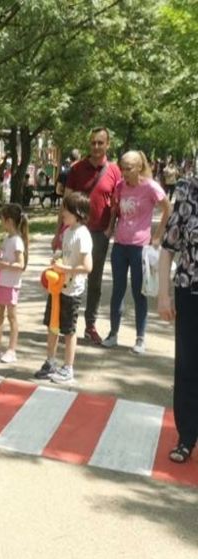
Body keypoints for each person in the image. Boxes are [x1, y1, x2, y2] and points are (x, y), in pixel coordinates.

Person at [101, 151, 171, 354]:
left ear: (139, 167)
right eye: (122, 168)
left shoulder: (150, 186)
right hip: (120, 245)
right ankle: (113, 333)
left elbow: (167, 208)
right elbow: (115, 209)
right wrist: (109, 227)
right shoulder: (120, 186)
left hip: (140, 247)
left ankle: (140, 338)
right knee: (118, 290)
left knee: (139, 292)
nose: (124, 172)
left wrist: (157, 235)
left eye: (128, 168)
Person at [63, 127, 123, 345]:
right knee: (67, 277)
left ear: (107, 145)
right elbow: (66, 200)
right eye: (93, 143)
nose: (96, 147)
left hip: (99, 233)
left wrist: (110, 228)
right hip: (74, 231)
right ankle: (66, 323)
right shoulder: (77, 168)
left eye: (100, 143)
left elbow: (116, 204)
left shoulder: (115, 170)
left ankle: (90, 325)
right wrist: (58, 231)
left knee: (94, 281)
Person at [157, 176, 198, 464]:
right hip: (190, 292)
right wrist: (163, 295)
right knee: (188, 366)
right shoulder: (187, 191)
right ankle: (186, 437)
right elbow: (168, 249)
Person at [34, 192, 93, 385]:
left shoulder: (83, 234)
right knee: (52, 326)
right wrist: (57, 258)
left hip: (72, 290)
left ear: (77, 213)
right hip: (57, 287)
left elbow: (87, 267)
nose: (62, 213)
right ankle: (50, 362)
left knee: (68, 330)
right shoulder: (67, 232)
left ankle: (68, 368)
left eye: (66, 210)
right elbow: (66, 254)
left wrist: (64, 268)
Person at [0, 204, 29, 363]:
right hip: (1, 282)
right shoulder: (7, 238)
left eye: (2, 219)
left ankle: (12, 349)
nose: (1, 222)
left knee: (11, 316)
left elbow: (20, 265)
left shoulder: (17, 241)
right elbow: (5, 257)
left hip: (11, 284)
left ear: (9, 221)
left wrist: (2, 265)